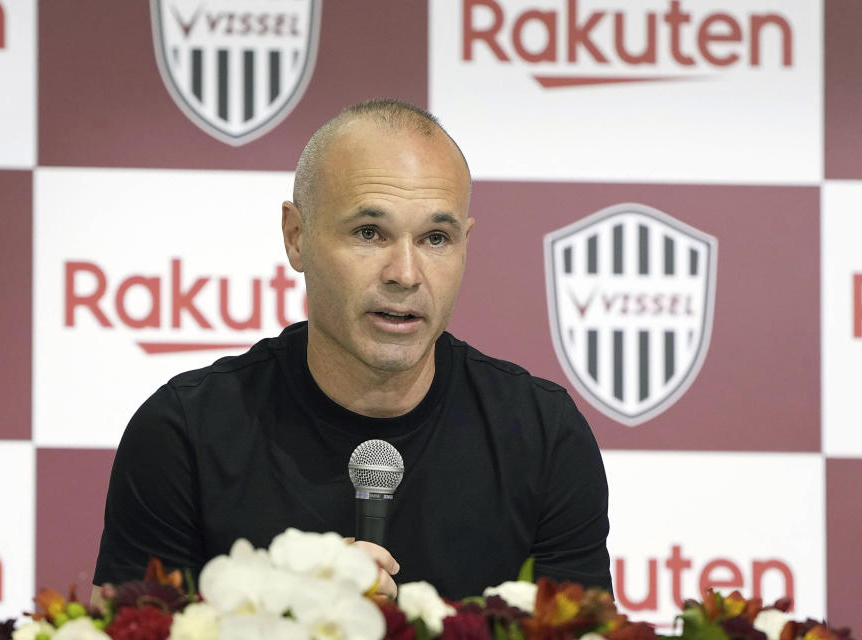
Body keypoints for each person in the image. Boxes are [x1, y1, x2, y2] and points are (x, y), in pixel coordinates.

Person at [91, 98, 611, 607]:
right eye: (369, 232)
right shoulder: (184, 432)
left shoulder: (543, 434)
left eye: (435, 238)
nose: (405, 274)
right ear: (296, 237)